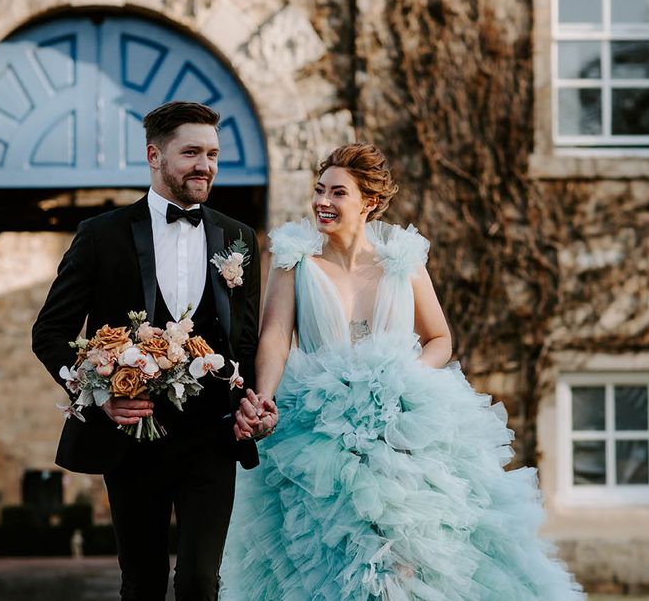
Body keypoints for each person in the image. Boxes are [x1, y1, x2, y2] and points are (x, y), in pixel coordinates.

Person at [222, 143, 585, 600]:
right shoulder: (295, 262)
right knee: (324, 559)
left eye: (337, 193)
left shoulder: (401, 263)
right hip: (314, 431)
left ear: (368, 203)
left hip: (399, 425)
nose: (322, 202)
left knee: (406, 559)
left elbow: (440, 340)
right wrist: (267, 396)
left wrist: (403, 377)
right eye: (318, 191)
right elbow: (274, 338)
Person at [32, 101, 266, 601]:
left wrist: (253, 400)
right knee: (142, 582)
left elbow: (245, 340)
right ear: (154, 156)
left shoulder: (237, 237)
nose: (205, 165)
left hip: (212, 439)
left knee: (201, 581)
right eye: (191, 153)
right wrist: (98, 395)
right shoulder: (101, 236)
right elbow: (50, 332)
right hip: (131, 440)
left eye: (213, 154)